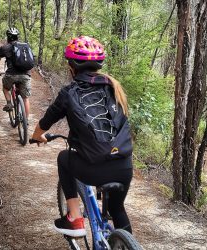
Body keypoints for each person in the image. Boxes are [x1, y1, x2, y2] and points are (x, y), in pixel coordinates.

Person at [31, 36, 133, 237]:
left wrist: (37, 137)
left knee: (63, 158)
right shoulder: (114, 87)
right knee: (117, 208)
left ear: (71, 67)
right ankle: (127, 242)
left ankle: (75, 218)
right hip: (124, 166)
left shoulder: (69, 93)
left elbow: (45, 123)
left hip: (93, 169)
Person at [0, 27, 31, 119]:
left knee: (5, 88)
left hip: (11, 75)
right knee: (25, 98)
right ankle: (26, 120)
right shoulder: (25, 46)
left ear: (7, 37)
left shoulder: (4, 47)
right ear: (17, 37)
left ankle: (9, 103)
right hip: (26, 74)